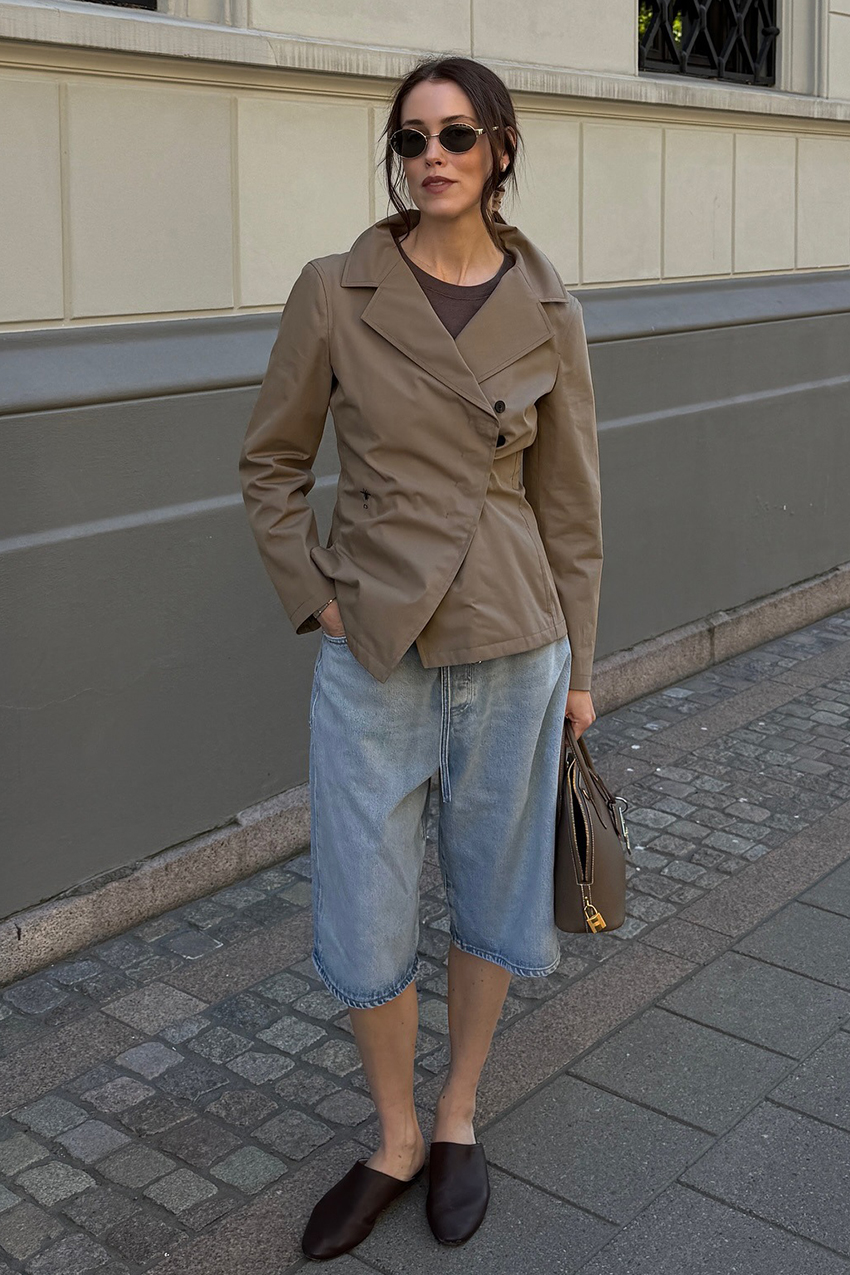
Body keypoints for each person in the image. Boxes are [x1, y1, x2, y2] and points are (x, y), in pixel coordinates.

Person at [239, 53, 603, 1261]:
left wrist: (582, 668)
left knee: (493, 895)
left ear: (500, 148)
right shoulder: (335, 290)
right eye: (410, 139)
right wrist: (320, 601)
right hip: (378, 649)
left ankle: (456, 1119)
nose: (430, 157)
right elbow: (272, 464)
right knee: (363, 906)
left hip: (514, 643)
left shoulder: (549, 305)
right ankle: (392, 1135)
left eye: (455, 135)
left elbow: (572, 508)